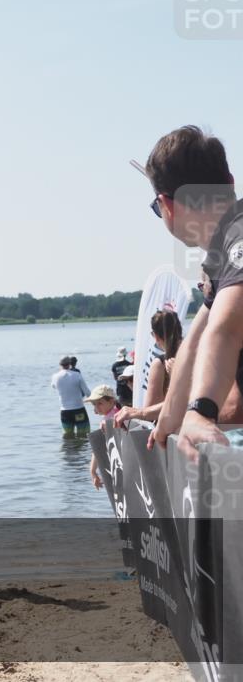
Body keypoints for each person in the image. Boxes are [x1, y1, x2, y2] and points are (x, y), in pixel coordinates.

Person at [136, 127, 243, 460]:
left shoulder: (238, 237)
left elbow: (227, 326)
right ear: (229, 181)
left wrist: (200, 412)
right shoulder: (221, 254)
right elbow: (198, 339)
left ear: (167, 205)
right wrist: (167, 421)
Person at [116, 310, 183, 427]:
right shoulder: (199, 354)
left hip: (172, 433)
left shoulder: (160, 364)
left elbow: (149, 413)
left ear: (155, 336)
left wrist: (136, 413)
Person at [86, 385, 120, 490]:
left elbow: (99, 446)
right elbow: (99, 445)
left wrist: (92, 470)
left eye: (100, 403)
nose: (96, 407)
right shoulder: (117, 413)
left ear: (112, 401)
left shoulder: (108, 420)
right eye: (94, 404)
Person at [50, 356, 91, 438]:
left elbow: (53, 386)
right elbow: (88, 393)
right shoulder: (77, 375)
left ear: (60, 364)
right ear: (70, 364)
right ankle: (82, 451)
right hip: (79, 410)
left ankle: (69, 450)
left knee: (67, 435)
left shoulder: (55, 377)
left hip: (65, 412)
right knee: (83, 435)